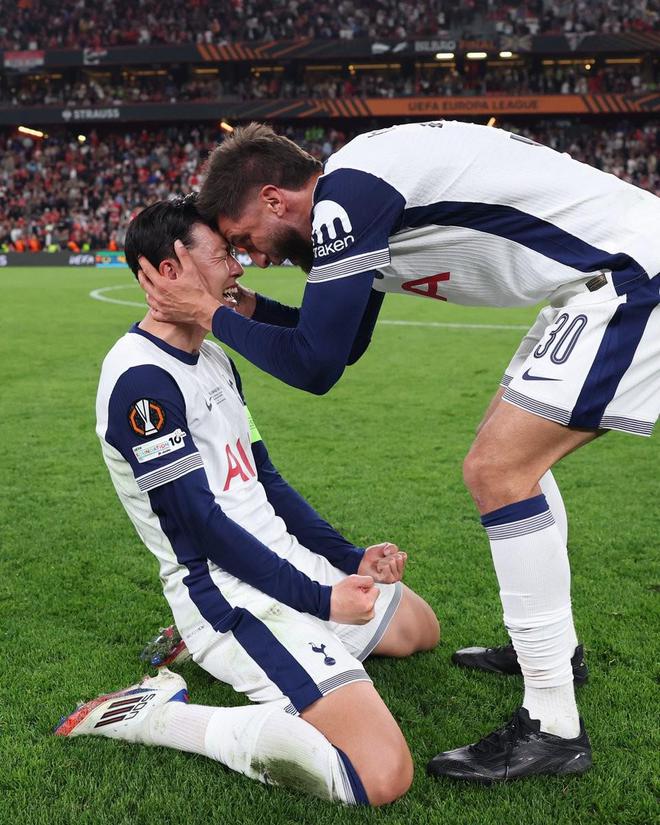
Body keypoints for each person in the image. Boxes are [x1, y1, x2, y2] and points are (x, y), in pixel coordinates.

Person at [137, 121, 660, 783]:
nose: (254, 258)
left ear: (274, 199)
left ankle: (553, 722)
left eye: (245, 239)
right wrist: (240, 305)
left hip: (631, 273)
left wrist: (209, 312)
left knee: (500, 470)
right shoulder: (358, 197)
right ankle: (552, 654)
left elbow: (315, 366)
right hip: (600, 277)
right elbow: (340, 342)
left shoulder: (347, 199)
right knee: (506, 461)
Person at [56, 196, 440, 807]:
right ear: (171, 269)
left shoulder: (213, 356)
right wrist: (320, 600)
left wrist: (349, 557)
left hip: (282, 561)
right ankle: (156, 714)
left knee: (421, 629)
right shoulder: (142, 383)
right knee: (380, 774)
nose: (239, 268)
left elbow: (266, 481)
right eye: (223, 256)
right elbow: (201, 526)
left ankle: (278, 650)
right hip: (229, 594)